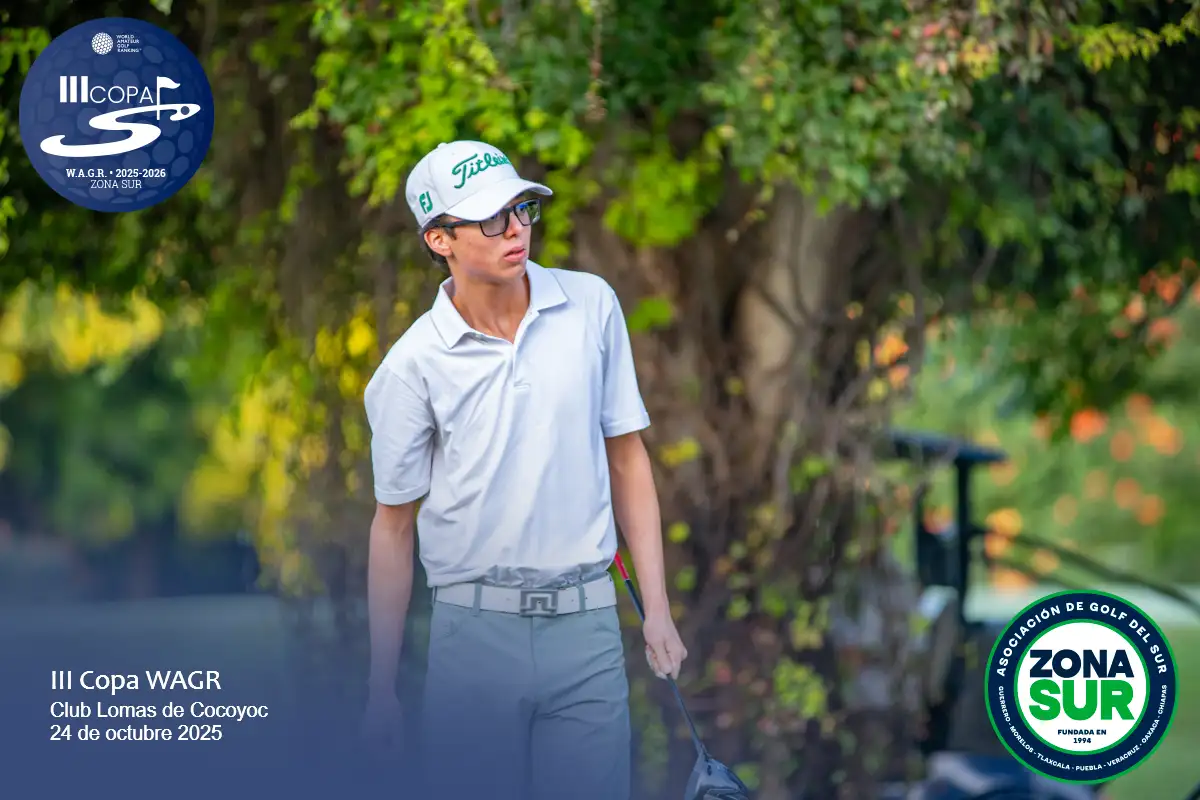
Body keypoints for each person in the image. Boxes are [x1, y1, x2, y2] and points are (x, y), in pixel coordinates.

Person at [360, 139, 687, 800]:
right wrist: (381, 688)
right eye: (490, 219)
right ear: (440, 239)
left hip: (587, 630)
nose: (515, 229)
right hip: (472, 640)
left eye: (521, 210)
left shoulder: (591, 305)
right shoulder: (411, 366)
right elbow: (392, 527)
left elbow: (627, 460)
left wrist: (657, 609)